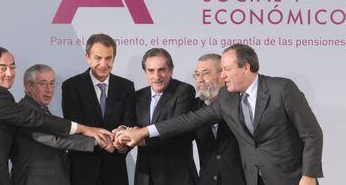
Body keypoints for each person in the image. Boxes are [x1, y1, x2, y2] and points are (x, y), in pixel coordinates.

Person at [117, 44, 323, 185]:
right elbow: (187, 121)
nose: (223, 75)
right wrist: (143, 131)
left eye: (226, 69)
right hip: (252, 179)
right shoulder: (228, 100)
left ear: (246, 67)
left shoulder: (282, 88)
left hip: (290, 179)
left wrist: (309, 175)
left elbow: (312, 134)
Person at [0, 47, 111, 185]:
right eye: (2, 68)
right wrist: (89, 132)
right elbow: (40, 125)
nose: (9, 73)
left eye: (12, 67)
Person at [11, 64, 113, 185]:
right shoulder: (25, 111)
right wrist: (98, 140)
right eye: (43, 83)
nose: (49, 89)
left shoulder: (40, 110)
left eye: (52, 83)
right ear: (29, 86)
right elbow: (56, 139)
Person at [61, 34, 136, 185]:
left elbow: (129, 120)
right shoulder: (71, 86)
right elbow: (74, 125)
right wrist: (102, 142)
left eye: (108, 58)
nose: (103, 64)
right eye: (98, 58)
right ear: (87, 57)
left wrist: (120, 139)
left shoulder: (126, 86)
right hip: (82, 169)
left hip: (116, 169)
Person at [133, 48, 198, 185]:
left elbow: (176, 130)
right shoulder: (138, 96)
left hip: (176, 176)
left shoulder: (184, 91)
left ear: (171, 70)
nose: (156, 76)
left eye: (161, 69)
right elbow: (131, 126)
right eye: (151, 71)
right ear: (145, 72)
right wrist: (121, 135)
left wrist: (140, 139)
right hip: (145, 176)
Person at [192, 54, 245, 185]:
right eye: (197, 75)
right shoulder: (193, 106)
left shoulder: (241, 102)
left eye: (205, 74)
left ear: (222, 73)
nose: (200, 80)